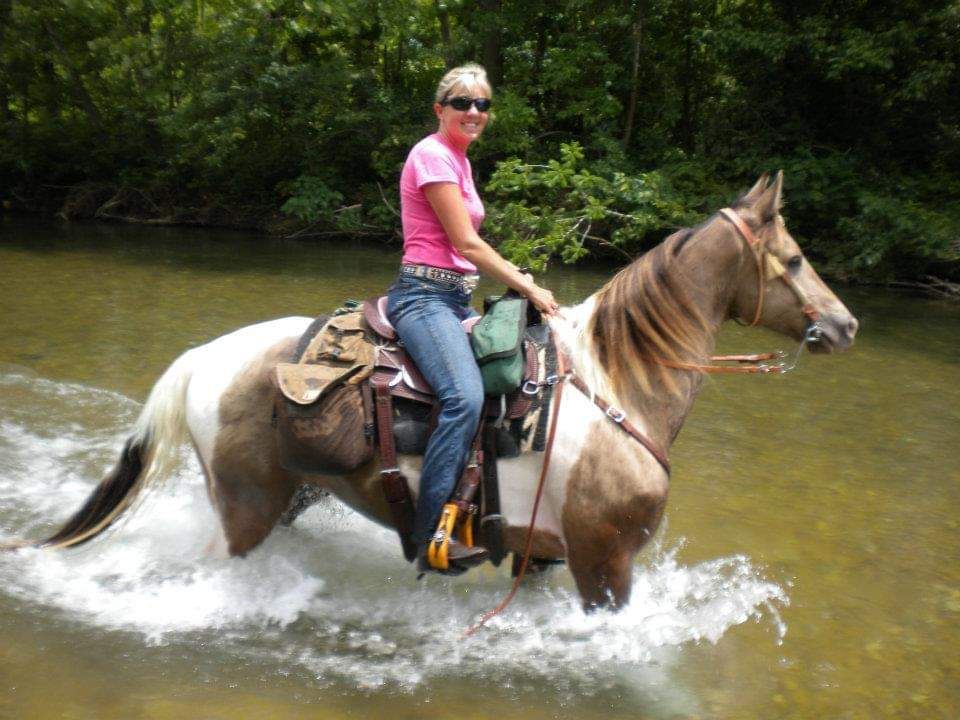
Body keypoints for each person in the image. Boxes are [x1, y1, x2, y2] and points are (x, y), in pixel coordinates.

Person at [386, 63, 559, 575]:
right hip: (423, 299)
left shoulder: (459, 160)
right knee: (463, 397)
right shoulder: (431, 155)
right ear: (441, 109)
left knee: (529, 376)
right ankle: (430, 536)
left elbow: (467, 249)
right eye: (463, 102)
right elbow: (465, 243)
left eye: (483, 104)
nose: (475, 112)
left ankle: (503, 511)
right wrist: (527, 284)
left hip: (458, 301)